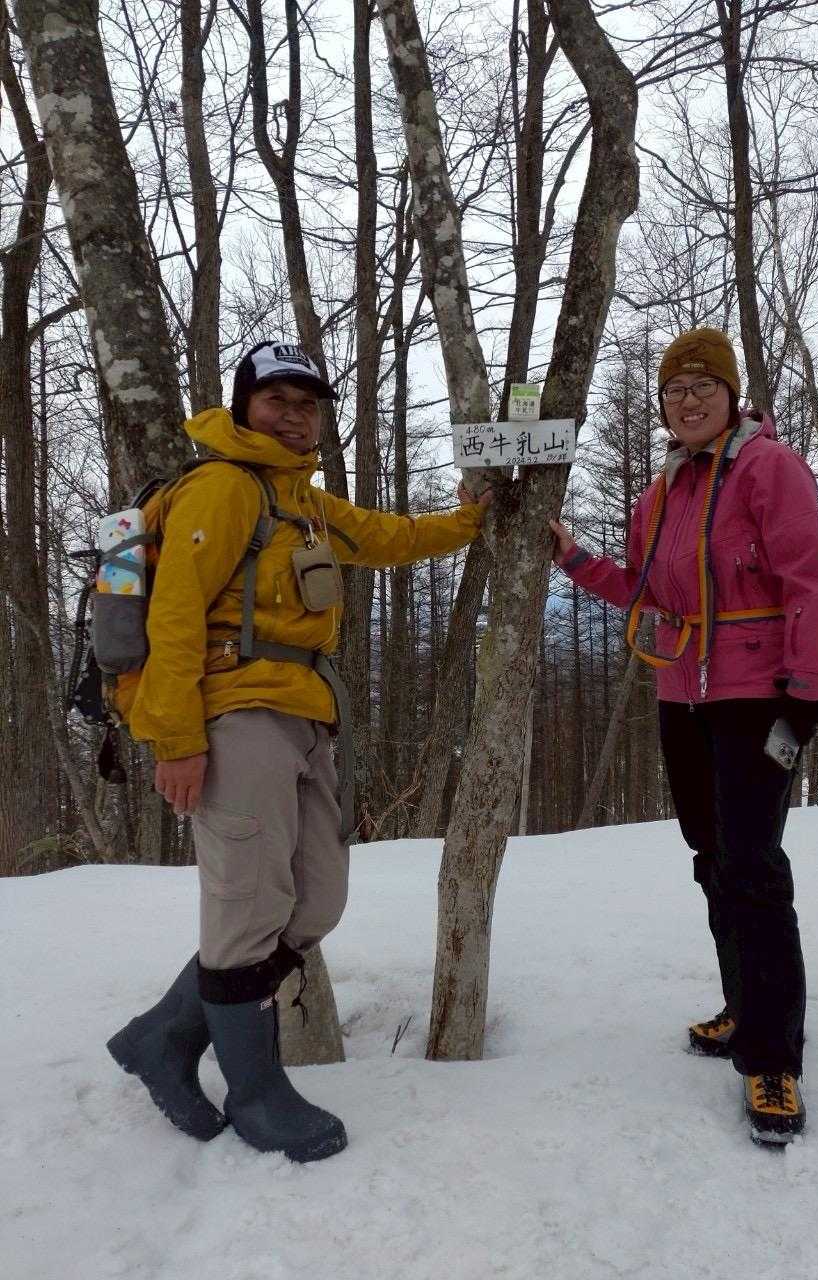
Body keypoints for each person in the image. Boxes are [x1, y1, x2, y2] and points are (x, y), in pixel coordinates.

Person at [106, 340, 491, 1162]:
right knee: (247, 906)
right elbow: (175, 615)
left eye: (307, 404)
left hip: (307, 717)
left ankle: (163, 1038)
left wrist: (468, 520)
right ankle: (257, 1092)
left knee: (314, 902)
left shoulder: (303, 501)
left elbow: (387, 536)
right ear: (244, 406)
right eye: (277, 399)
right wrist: (176, 740)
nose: (293, 415)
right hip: (233, 714)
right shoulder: (223, 487)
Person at [549, 327, 818, 1144]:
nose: (687, 400)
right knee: (712, 857)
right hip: (681, 694)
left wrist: (808, 691)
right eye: (674, 389)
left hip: (755, 695)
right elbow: (644, 591)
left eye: (702, 386)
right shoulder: (660, 494)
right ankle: (744, 1006)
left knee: (752, 867)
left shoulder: (768, 468)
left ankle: (773, 1057)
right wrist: (573, 559)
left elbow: (814, 582)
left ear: (730, 394)